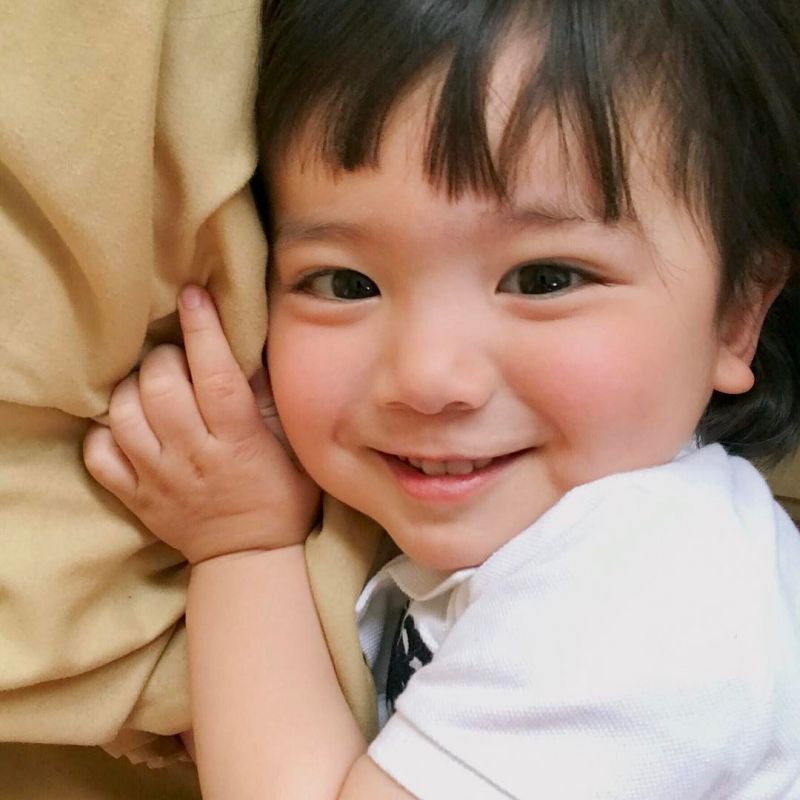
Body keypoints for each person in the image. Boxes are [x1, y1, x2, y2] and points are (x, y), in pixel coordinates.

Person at [83, 0, 800, 797]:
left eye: (545, 278)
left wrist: (238, 545)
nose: (425, 377)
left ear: (737, 316)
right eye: (345, 283)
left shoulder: (664, 591)